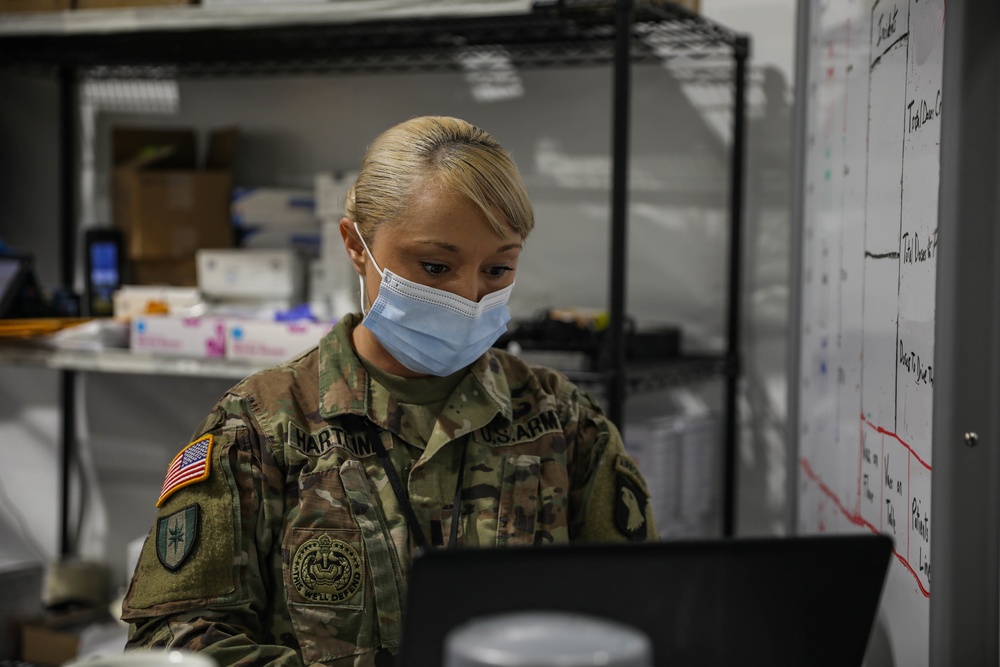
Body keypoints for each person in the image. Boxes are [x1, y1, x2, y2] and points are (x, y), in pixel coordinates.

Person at [121, 116, 657, 666]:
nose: (469, 295)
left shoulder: (561, 422)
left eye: (498, 269)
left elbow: (645, 613)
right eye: (435, 266)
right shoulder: (262, 429)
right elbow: (172, 642)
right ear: (357, 245)